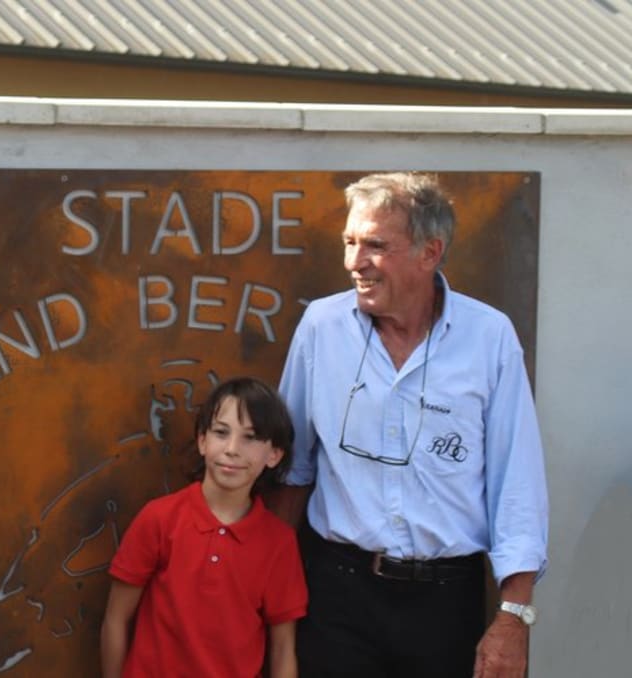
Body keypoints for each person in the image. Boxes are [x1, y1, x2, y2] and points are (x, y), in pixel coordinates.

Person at [274, 172, 549, 678]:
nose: (354, 262)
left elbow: (517, 486)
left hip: (444, 603)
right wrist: (269, 595)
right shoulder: (320, 327)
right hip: (336, 592)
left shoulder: (489, 337)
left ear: (430, 252)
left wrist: (514, 618)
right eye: (349, 242)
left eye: (375, 245)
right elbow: (293, 468)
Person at [100, 377, 307, 678]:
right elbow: (116, 619)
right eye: (221, 433)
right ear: (202, 441)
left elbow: (283, 649)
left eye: (250, 437)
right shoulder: (159, 518)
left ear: (274, 454)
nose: (232, 449)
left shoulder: (279, 542)